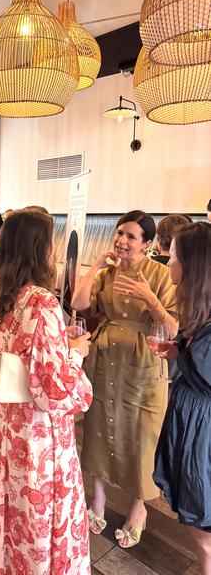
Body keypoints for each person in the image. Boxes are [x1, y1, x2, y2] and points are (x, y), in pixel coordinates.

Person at [0, 210, 92, 574]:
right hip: (35, 428)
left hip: (1, 421)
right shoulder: (41, 303)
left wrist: (54, 345)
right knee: (40, 508)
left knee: (10, 505)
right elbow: (55, 391)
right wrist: (76, 353)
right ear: (40, 248)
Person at [71, 209, 178, 548]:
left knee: (142, 435)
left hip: (144, 361)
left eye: (131, 236)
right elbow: (78, 302)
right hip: (105, 358)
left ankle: (138, 509)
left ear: (147, 244)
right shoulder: (108, 273)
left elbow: (174, 330)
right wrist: (95, 267)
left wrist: (150, 299)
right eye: (119, 233)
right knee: (98, 427)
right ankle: (98, 499)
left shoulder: (162, 275)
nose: (122, 241)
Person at [153, 222, 211, 575]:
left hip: (203, 430)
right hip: (191, 419)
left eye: (172, 256)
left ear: (192, 265)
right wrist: (178, 352)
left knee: (202, 523)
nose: (168, 262)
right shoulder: (198, 309)